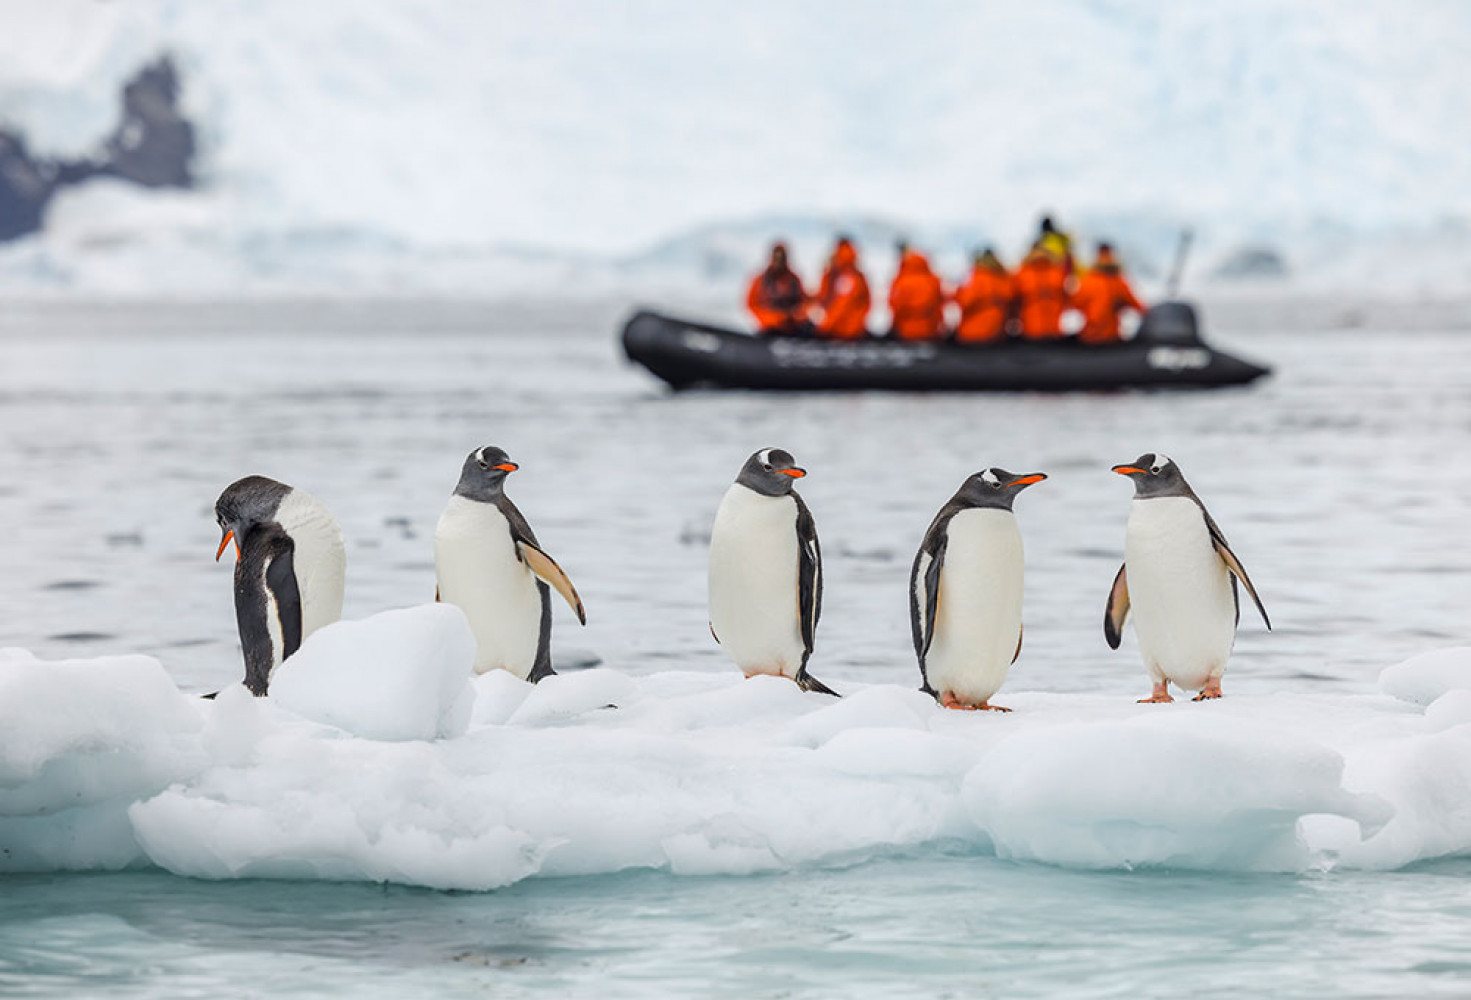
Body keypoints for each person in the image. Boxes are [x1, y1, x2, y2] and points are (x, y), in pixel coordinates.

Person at [1071, 243, 1145, 345]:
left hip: (1089, 337)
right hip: (1111, 338)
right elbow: (1139, 308)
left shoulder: (1088, 280)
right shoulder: (1119, 281)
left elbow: (1074, 304)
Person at [951, 247, 1014, 344]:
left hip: (972, 336)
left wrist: (958, 291)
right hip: (998, 336)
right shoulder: (1006, 279)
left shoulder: (975, 278)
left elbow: (964, 302)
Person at [812, 236, 871, 339]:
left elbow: (840, 306)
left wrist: (826, 326)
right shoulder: (856, 275)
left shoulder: (845, 276)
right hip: (854, 329)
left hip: (841, 330)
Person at [746, 242, 811, 334]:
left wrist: (796, 315)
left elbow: (805, 302)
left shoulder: (794, 279)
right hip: (770, 328)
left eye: (782, 258)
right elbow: (751, 304)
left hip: (794, 327)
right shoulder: (760, 281)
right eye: (777, 258)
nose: (779, 262)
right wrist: (773, 319)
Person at [887, 243, 946, 340]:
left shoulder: (900, 281)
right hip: (930, 331)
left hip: (905, 332)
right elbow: (940, 302)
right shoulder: (933, 280)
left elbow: (894, 304)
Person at [1013, 242, 1068, 340]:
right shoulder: (1058, 272)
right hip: (1055, 333)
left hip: (1030, 332)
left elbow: (1013, 301)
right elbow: (1067, 299)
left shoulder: (1021, 273)